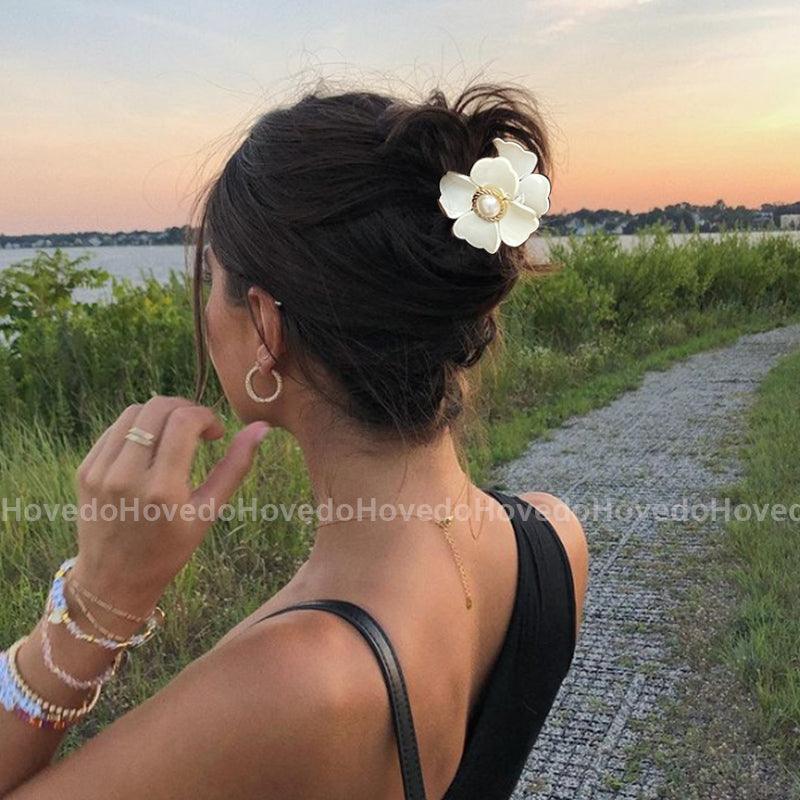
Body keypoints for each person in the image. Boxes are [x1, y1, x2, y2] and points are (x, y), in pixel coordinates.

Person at [0, 82, 588, 799]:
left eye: (212, 278)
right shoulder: (556, 537)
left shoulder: (294, 683)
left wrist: (96, 603)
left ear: (266, 326)